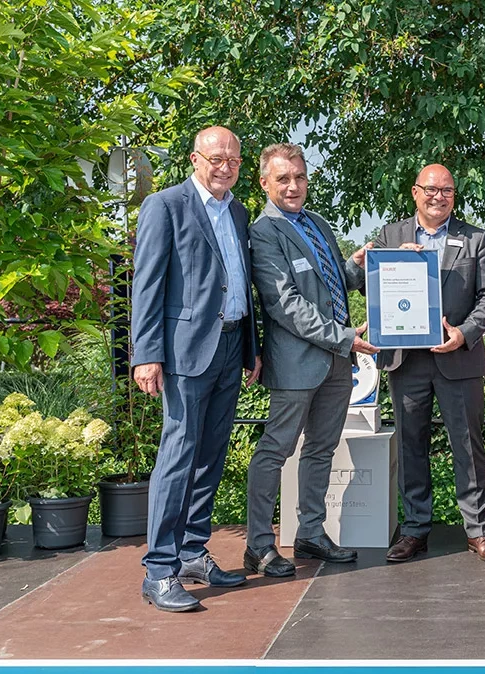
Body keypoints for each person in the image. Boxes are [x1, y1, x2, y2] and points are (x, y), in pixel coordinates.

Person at [131, 126, 261, 612]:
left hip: (231, 348)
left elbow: (242, 286)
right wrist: (146, 353)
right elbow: (146, 285)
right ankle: (159, 570)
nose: (225, 166)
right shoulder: (165, 206)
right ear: (194, 159)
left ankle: (190, 551)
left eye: (233, 159)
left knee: (211, 455)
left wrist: (252, 347)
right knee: (178, 456)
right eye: (216, 157)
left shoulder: (239, 211)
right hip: (185, 354)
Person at [348, 164, 485, 563]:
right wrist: (385, 267)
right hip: (405, 360)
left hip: (458, 359)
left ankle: (479, 531)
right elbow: (371, 284)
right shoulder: (390, 235)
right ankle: (416, 530)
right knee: (410, 445)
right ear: (415, 192)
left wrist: (464, 333)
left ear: (455, 195)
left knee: (468, 447)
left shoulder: (475, 238)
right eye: (431, 189)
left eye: (447, 190)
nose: (439, 196)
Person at [244, 142, 378, 578]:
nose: (294, 186)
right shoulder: (263, 232)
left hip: (337, 362)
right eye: (283, 179)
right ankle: (259, 545)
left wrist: (356, 266)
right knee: (275, 451)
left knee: (321, 450)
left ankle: (311, 534)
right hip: (299, 363)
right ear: (264, 183)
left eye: (300, 176)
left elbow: (333, 282)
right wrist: (345, 338)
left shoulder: (318, 223)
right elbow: (285, 304)